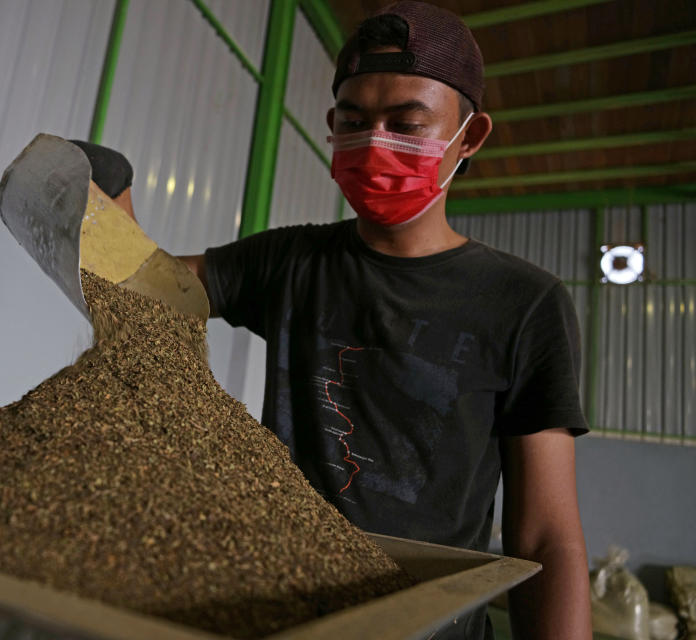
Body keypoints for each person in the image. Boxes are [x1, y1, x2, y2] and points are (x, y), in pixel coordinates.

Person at [177, 3, 592, 639]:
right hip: (274, 615)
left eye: (406, 124)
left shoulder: (525, 303)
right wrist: (99, 202)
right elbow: (153, 287)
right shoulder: (291, 261)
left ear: (469, 136)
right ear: (332, 126)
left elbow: (544, 534)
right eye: (355, 121)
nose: (375, 144)